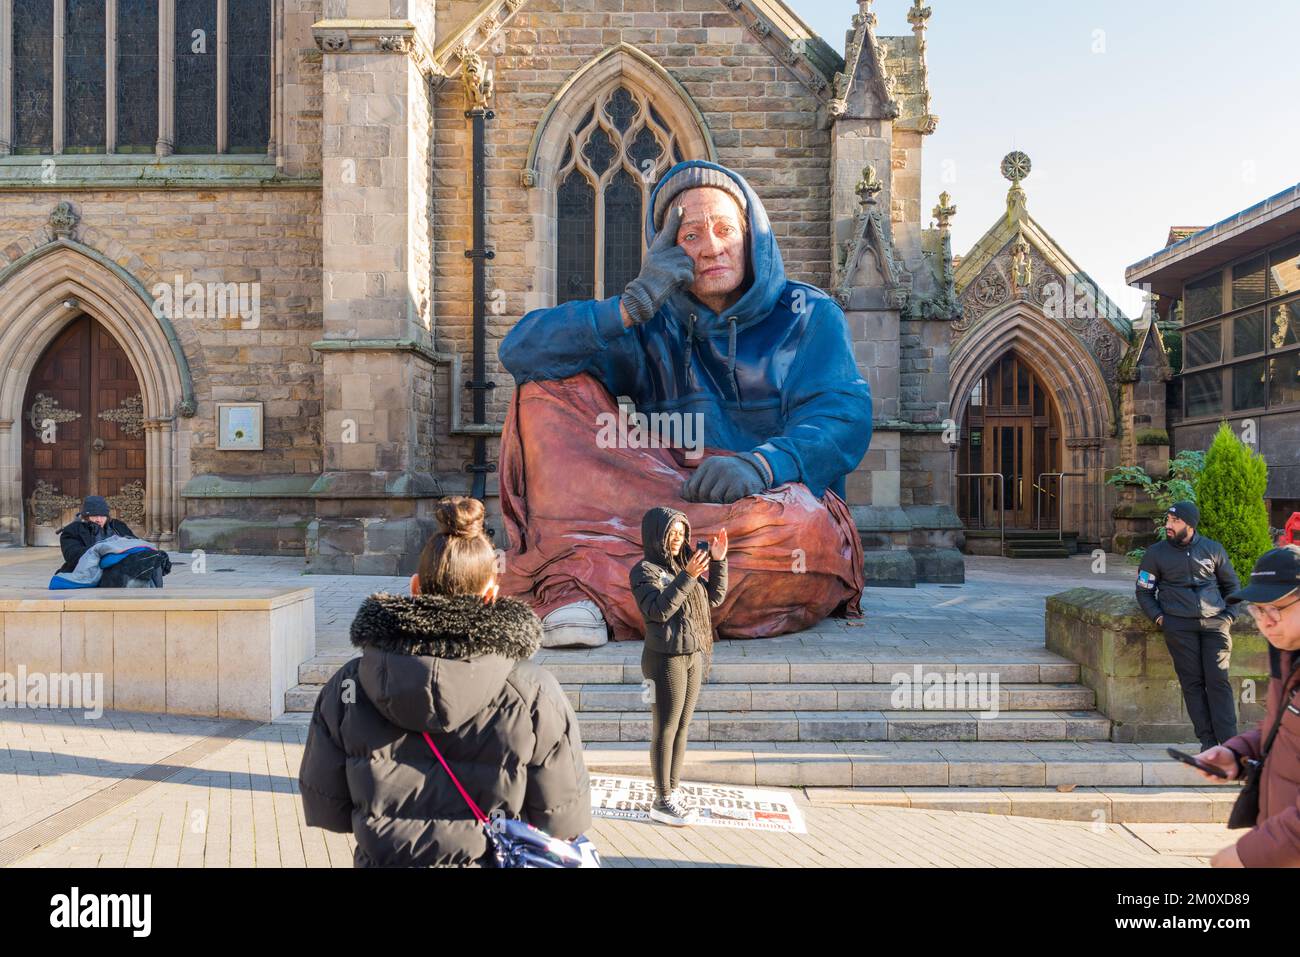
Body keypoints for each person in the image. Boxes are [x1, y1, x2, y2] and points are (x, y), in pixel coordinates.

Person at [497, 159, 867, 646]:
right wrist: (627, 307)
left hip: (769, 509)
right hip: (665, 506)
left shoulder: (809, 315)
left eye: (724, 229)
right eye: (690, 235)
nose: (711, 247)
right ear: (667, 251)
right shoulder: (650, 323)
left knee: (800, 532)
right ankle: (628, 590)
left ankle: (581, 588)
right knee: (542, 388)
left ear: (752, 235)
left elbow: (843, 417)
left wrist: (764, 464)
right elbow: (519, 353)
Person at [298, 496, 592, 867]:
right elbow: (562, 817)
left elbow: (328, 806)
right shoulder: (533, 691)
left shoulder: (349, 686)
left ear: (416, 587)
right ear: (491, 593)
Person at [1193, 545, 1300, 868]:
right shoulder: (1287, 654)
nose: (1265, 622)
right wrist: (1237, 754)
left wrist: (1247, 856)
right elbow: (1285, 729)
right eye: (1257, 610)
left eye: (1277, 609)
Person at [630, 506, 727, 826]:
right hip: (664, 659)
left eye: (682, 533)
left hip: (693, 654)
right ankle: (661, 799)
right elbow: (658, 610)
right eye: (671, 533)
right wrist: (687, 576)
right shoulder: (643, 571)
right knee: (665, 728)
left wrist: (719, 560)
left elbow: (713, 598)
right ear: (656, 534)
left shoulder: (684, 565)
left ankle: (672, 790)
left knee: (682, 728)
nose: (677, 539)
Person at [1135, 501, 1241, 751]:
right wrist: (1160, 618)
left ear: (1189, 524)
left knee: (1218, 681)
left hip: (1215, 625)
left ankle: (1229, 744)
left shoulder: (1213, 549)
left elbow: (1232, 587)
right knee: (1192, 683)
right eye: (1168, 521)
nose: (1168, 526)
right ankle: (1207, 742)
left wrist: (1228, 617)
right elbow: (1144, 591)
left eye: (1175, 521)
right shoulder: (1155, 553)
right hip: (1178, 626)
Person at [56, 495, 137, 572]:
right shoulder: (72, 530)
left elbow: (135, 544)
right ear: (86, 517)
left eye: (102, 516)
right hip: (87, 571)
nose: (99, 519)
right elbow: (73, 557)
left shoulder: (117, 526)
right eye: (94, 515)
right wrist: (103, 548)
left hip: (120, 568)